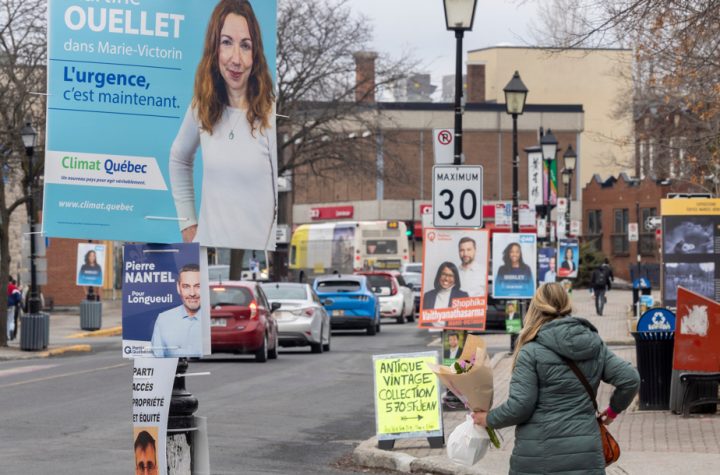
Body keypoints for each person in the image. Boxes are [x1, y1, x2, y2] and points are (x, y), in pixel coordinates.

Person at [471, 283, 640, 474]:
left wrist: (488, 419)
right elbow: (630, 379)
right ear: (567, 304)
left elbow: (520, 407)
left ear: (536, 308)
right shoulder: (593, 343)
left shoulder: (530, 351)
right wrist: (612, 412)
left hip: (538, 457)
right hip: (585, 456)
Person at [170, 0, 277, 250]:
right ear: (214, 48)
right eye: (226, 42)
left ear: (256, 54)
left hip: (256, 260)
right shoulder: (203, 107)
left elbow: (276, 207)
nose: (236, 59)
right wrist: (188, 224)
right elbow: (178, 158)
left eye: (246, 46)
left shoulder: (272, 115)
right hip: (207, 256)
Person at [151, 264, 203, 357]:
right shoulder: (163, 319)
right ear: (178, 288)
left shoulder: (215, 318)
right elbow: (156, 358)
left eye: (198, 286)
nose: (192, 293)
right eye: (186, 286)